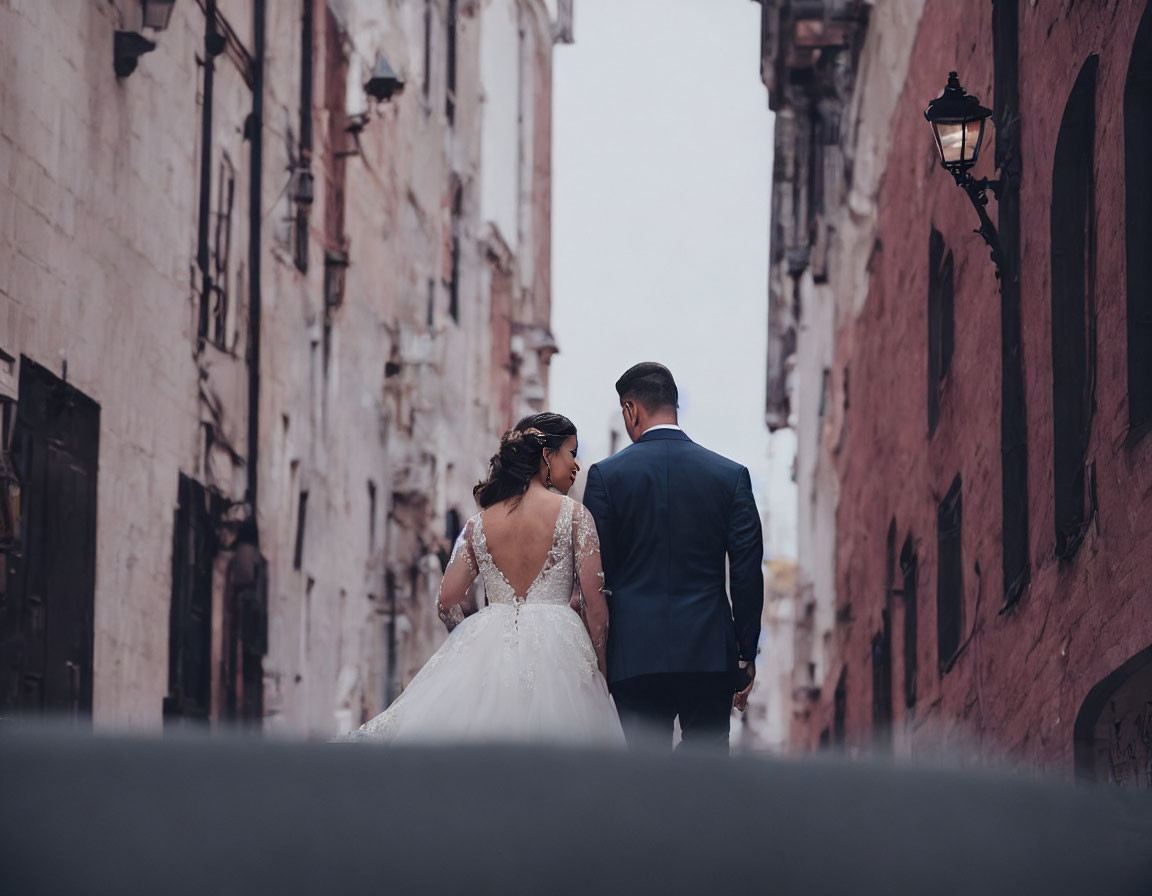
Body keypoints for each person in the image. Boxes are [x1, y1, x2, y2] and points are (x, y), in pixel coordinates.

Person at [342, 413, 624, 745]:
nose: (576, 466)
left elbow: (446, 602)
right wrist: (603, 670)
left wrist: (471, 643)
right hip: (561, 650)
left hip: (490, 643)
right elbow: (594, 603)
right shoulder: (576, 515)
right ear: (547, 456)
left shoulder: (477, 524)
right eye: (571, 453)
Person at [583, 363, 764, 752]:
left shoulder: (605, 478)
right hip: (708, 651)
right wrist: (745, 654)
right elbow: (747, 572)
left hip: (634, 652)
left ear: (631, 410)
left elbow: (598, 573)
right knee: (706, 778)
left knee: (646, 778)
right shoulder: (730, 476)